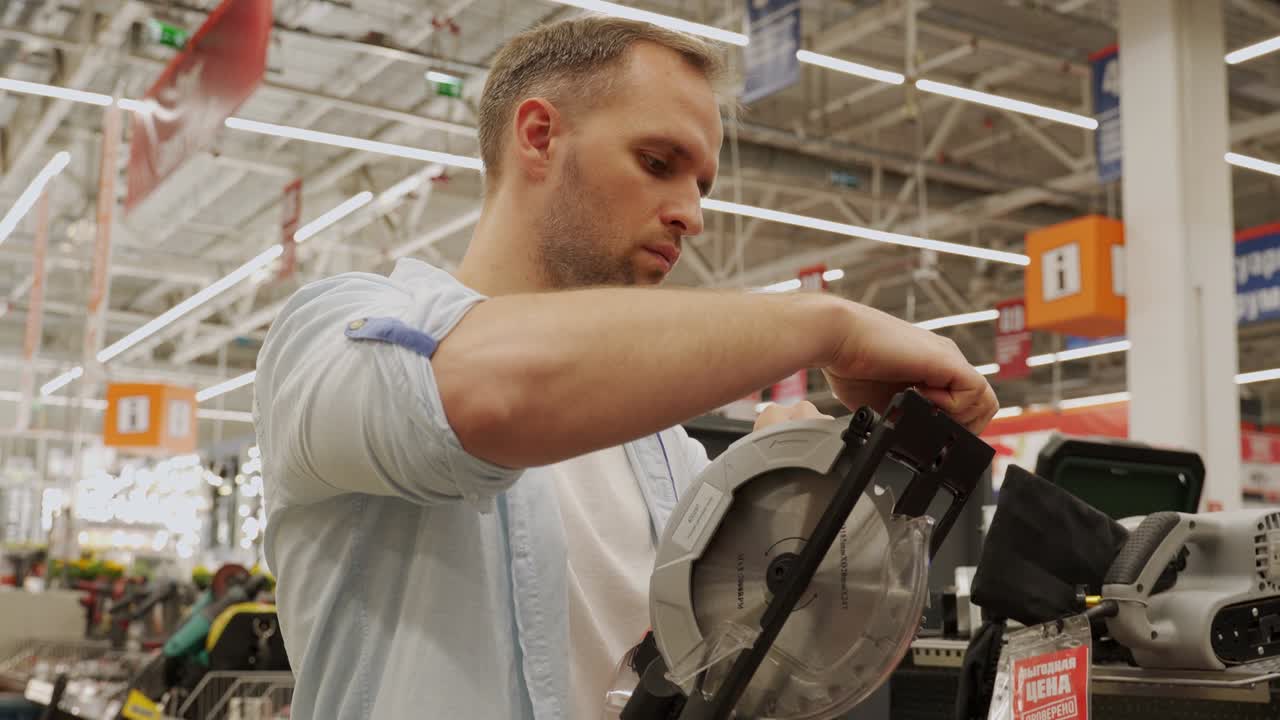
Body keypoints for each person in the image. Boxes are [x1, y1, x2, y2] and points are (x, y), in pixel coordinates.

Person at [254, 15, 998, 720]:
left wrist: (800, 491)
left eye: (701, 185)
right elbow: (484, 398)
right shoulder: (331, 338)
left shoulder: (669, 459)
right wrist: (824, 326)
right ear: (540, 137)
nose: (691, 215)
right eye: (657, 163)